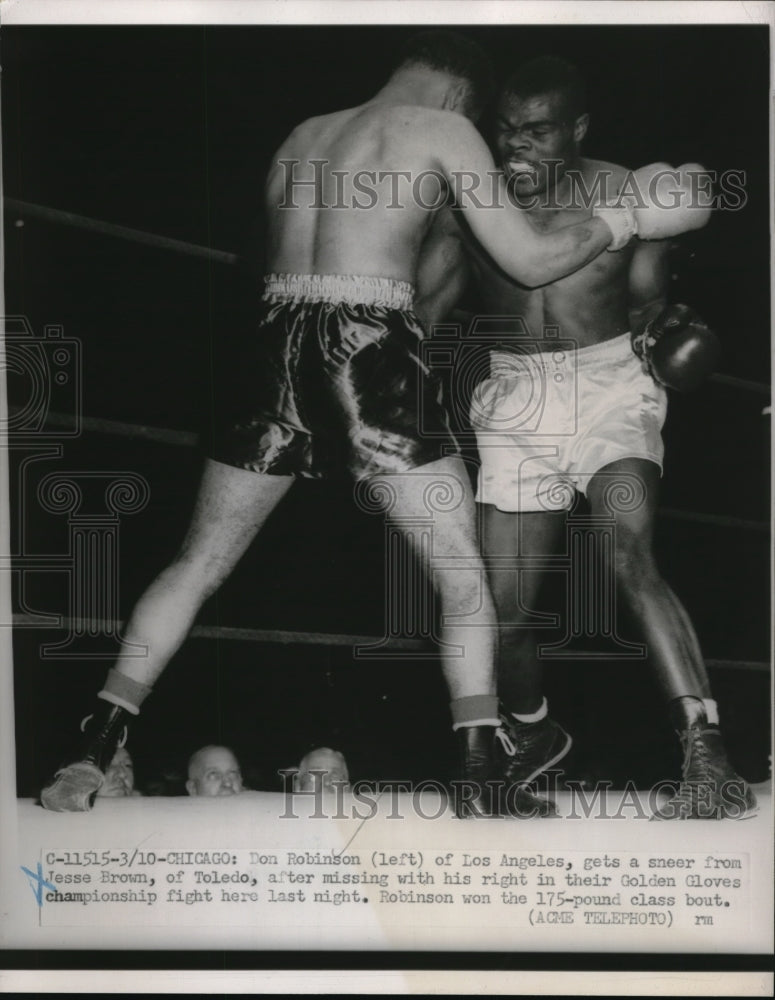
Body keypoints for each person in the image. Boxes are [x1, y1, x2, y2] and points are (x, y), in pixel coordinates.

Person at [39, 32, 706, 818]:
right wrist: (625, 216)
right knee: (463, 580)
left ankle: (96, 744)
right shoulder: (445, 130)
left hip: (274, 338)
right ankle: (476, 772)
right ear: (464, 100)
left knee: (197, 562)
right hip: (365, 346)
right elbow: (527, 262)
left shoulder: (303, 136)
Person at [426, 56, 753, 819]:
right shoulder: (471, 202)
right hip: (512, 399)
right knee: (500, 612)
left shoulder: (622, 191)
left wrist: (670, 331)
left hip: (610, 388)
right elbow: (426, 308)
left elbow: (645, 308)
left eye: (537, 132)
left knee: (629, 555)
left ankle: (707, 757)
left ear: (575, 130)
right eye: (504, 131)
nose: (516, 149)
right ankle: (534, 738)